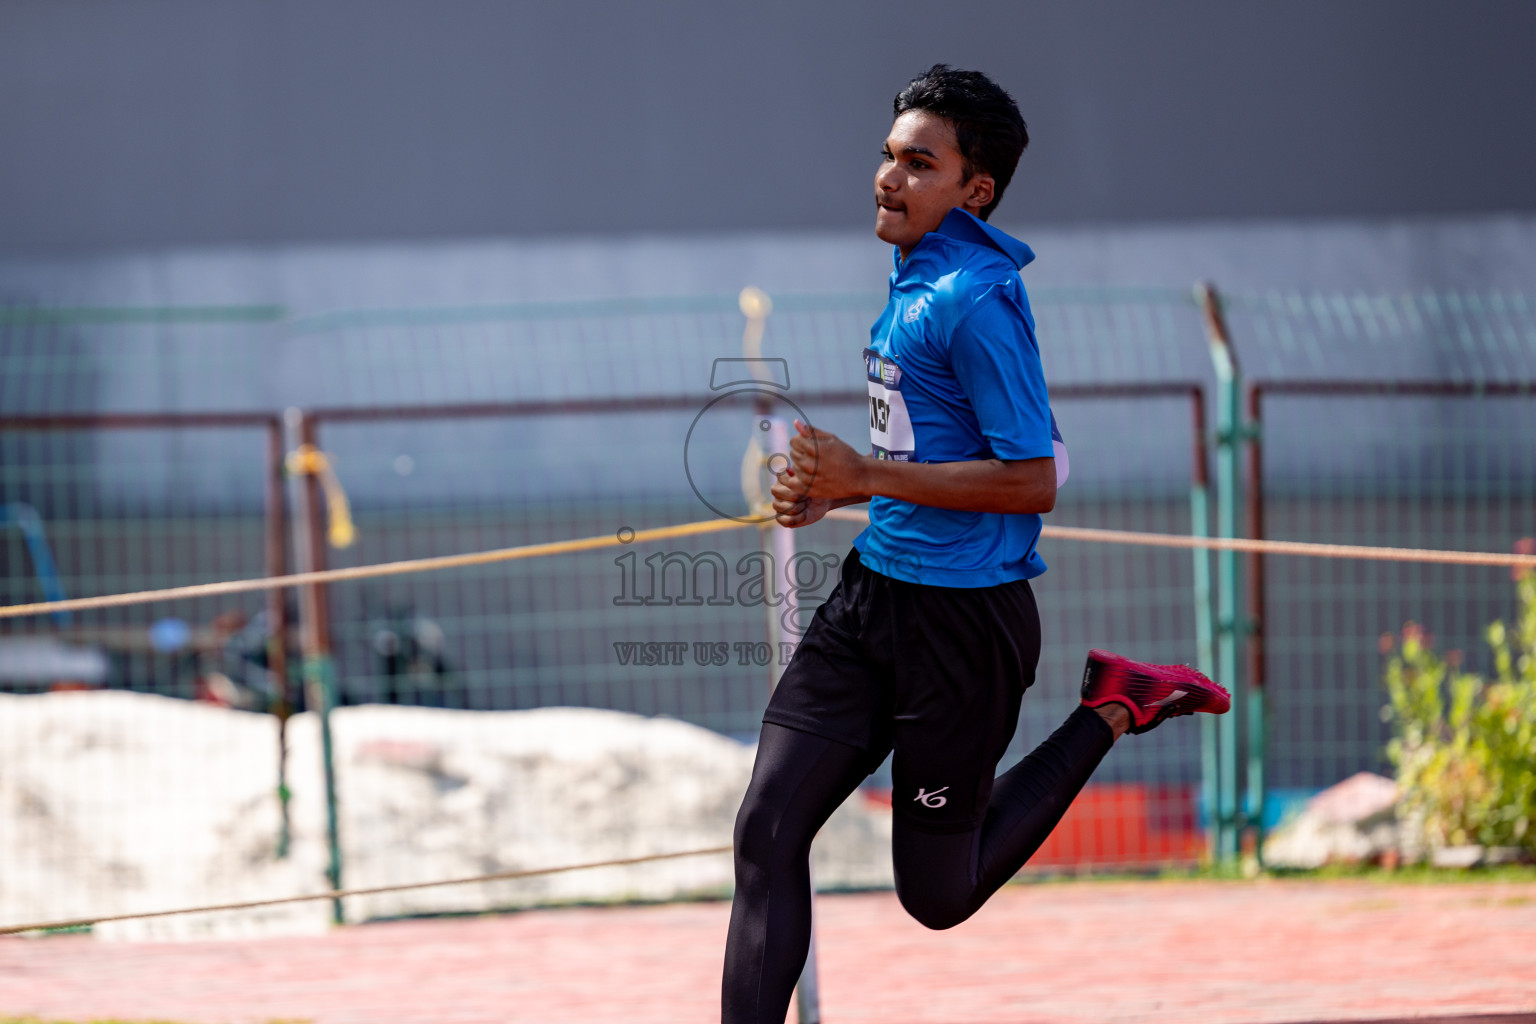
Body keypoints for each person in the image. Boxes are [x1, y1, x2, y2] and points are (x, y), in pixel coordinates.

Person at [721, 65, 1230, 1023]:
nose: (888, 177)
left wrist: (861, 478)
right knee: (765, 832)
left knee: (937, 896)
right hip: (873, 597)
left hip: (964, 628)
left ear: (975, 189)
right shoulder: (914, 279)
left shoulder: (976, 299)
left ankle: (1115, 706)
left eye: (920, 163)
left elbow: (1032, 475)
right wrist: (825, 490)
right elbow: (925, 450)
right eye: (888, 155)